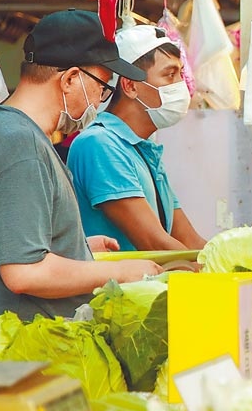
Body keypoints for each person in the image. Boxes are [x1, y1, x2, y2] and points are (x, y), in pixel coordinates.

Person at [0, 9, 162, 333]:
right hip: (28, 355)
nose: (100, 100)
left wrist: (73, 247)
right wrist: (122, 271)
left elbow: (15, 246)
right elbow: (24, 271)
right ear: (69, 79)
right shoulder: (20, 146)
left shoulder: (11, 133)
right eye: (102, 87)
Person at [67, 25, 208, 251]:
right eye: (170, 75)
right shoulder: (100, 144)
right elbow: (154, 243)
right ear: (130, 86)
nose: (181, 86)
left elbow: (189, 241)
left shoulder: (143, 148)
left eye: (180, 75)